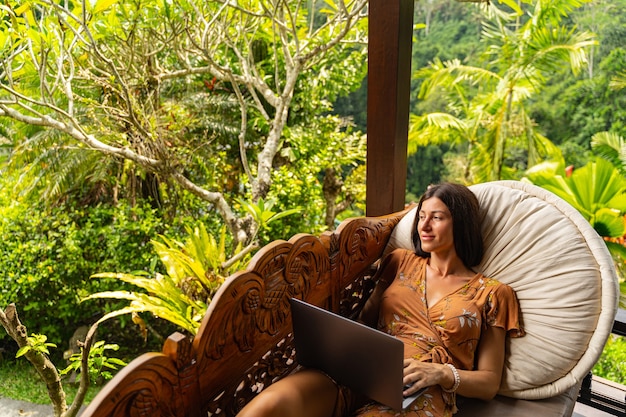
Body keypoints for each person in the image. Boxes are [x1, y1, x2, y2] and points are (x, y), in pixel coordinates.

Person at [236, 182, 524, 417]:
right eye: (422, 216)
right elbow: (366, 319)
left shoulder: (493, 293)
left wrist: (440, 373)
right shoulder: (400, 261)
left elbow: (489, 383)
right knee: (267, 407)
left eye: (437, 217)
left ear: (461, 224)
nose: (424, 225)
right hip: (360, 371)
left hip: (417, 392)